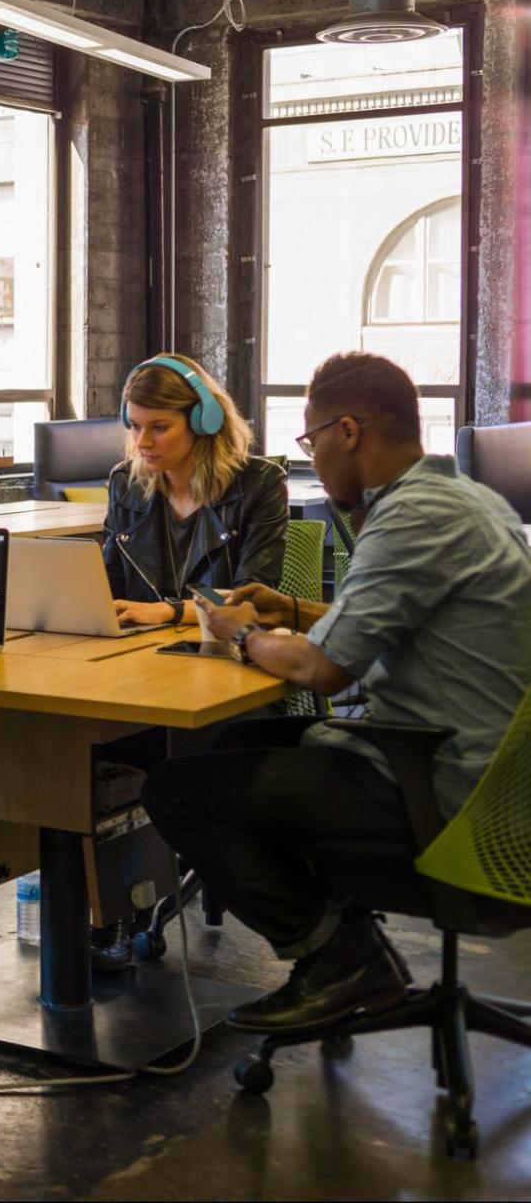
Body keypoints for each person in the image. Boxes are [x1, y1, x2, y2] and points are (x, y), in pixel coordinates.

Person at [143, 352, 531, 1032]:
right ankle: (351, 949)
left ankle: (335, 957)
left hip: (443, 791)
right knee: (236, 744)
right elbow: (378, 626)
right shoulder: (462, 499)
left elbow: (326, 671)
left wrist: (238, 634)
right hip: (495, 781)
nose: (312, 458)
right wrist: (287, 608)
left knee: (176, 791)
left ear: (347, 431)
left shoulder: (410, 517)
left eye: (310, 441)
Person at [102, 353, 288, 629]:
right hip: (140, 649)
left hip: (219, 651)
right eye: (135, 426)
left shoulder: (260, 485)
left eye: (160, 427)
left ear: (204, 421)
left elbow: (248, 604)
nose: (143, 442)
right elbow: (109, 590)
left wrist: (170, 611)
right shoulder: (126, 484)